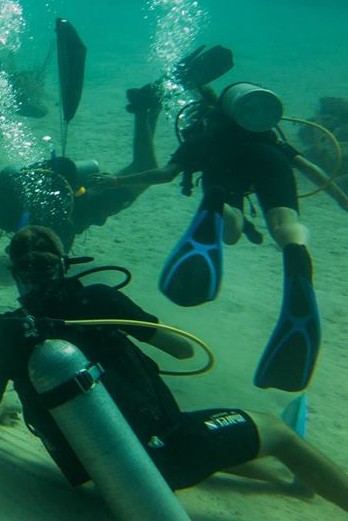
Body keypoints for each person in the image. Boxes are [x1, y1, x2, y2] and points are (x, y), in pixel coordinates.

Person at [0, 225, 348, 511]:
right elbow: (183, 351)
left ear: (15, 273)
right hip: (166, 453)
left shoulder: (4, 339)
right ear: (63, 264)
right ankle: (295, 473)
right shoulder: (96, 300)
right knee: (276, 430)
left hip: (99, 474)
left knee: (199, 433)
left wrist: (1, 411)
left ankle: (281, 478)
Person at [89, 83, 348, 391]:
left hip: (221, 165)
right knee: (285, 224)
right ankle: (295, 249)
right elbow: (309, 168)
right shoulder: (269, 136)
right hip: (271, 160)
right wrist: (341, 198)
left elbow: (164, 174)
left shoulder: (202, 139)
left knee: (231, 230)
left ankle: (221, 208)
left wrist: (116, 181)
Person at [0, 81, 163, 253]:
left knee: (146, 168)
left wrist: (60, 259)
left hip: (92, 204)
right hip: (87, 190)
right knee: (141, 167)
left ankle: (144, 110)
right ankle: (152, 106)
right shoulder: (12, 194)